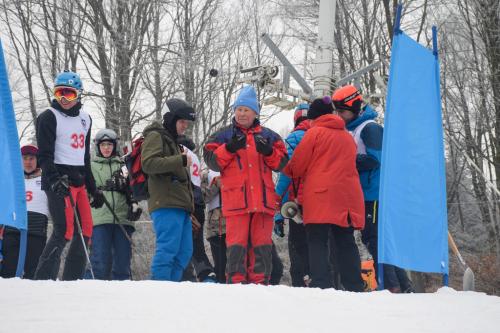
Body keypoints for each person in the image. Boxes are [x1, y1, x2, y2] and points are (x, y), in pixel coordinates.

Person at [204, 85, 288, 284]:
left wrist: (268, 152)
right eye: (239, 109)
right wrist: (230, 148)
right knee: (236, 245)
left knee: (262, 245)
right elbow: (211, 160)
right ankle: (236, 283)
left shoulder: (270, 136)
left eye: (246, 110)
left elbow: (283, 163)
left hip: (263, 202)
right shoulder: (223, 135)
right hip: (236, 202)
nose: (241, 114)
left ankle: (260, 284)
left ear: (255, 112)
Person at [333, 84, 413, 293]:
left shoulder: (370, 128)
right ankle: (402, 285)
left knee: (375, 239)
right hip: (364, 193)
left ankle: (391, 285)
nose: (339, 116)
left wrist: (346, 160)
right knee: (375, 239)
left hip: (374, 193)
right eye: (337, 112)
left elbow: (375, 160)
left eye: (342, 111)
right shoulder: (355, 130)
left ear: (355, 108)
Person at [283, 97, 365, 291]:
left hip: (320, 195)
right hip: (347, 197)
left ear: (313, 118)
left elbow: (297, 166)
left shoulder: (314, 133)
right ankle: (354, 285)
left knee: (317, 239)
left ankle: (321, 283)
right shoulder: (346, 136)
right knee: (345, 239)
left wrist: (287, 168)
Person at [34, 71, 104, 281]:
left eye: (69, 94)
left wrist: (93, 189)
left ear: (78, 95)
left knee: (87, 229)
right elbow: (44, 155)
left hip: (79, 180)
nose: (63, 99)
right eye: (59, 93)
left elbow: (84, 158)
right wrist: (54, 179)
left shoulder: (86, 119)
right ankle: (43, 278)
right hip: (58, 178)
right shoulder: (48, 116)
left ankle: (72, 280)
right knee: (64, 230)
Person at [141, 98, 195, 281]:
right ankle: (159, 293)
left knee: (184, 253)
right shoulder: (155, 136)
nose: (184, 126)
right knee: (167, 251)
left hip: (180, 205)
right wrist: (180, 160)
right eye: (181, 122)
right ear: (170, 119)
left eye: (186, 123)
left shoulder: (173, 140)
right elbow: (148, 163)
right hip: (165, 203)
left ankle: (171, 291)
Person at [201, 169, 284, 285]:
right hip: (218, 230)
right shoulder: (208, 174)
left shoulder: (247, 168)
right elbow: (202, 197)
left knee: (273, 266)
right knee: (225, 270)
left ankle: (264, 294)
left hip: (248, 226)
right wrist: (216, 185)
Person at [87, 128, 141, 280]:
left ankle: (122, 296)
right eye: (103, 145)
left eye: (109, 145)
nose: (106, 148)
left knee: (122, 263)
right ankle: (94, 293)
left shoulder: (124, 165)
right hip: (100, 218)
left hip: (122, 218)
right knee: (100, 262)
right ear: (97, 147)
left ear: (114, 146)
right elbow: (85, 190)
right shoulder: (91, 166)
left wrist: (134, 204)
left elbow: (134, 189)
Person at [274, 103, 311, 287]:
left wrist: (278, 213)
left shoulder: (294, 138)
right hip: (323, 204)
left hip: (298, 206)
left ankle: (300, 286)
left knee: (298, 250)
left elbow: (286, 175)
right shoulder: (324, 135)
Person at [0, 145, 49, 279]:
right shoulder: (11, 180)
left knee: (33, 274)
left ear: (37, 160)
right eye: (24, 158)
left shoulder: (46, 180)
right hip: (12, 232)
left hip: (36, 232)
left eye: (31, 158)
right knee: (8, 272)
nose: (28, 162)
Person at [177, 135, 216, 283]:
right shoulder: (194, 155)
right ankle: (204, 276)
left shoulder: (180, 151)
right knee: (195, 245)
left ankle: (193, 277)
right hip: (198, 202)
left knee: (185, 245)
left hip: (187, 201)